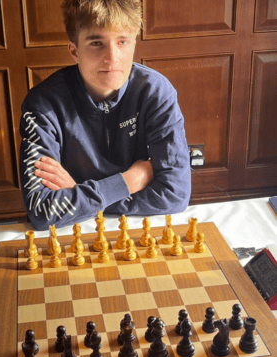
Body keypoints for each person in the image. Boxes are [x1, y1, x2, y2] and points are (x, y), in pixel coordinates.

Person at [19, 0, 191, 231]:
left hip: (132, 228)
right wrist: (131, 181)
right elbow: (42, 210)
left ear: (133, 44)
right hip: (70, 232)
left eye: (122, 41)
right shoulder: (42, 104)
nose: (112, 57)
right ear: (74, 50)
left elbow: (176, 194)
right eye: (97, 43)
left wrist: (78, 194)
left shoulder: (157, 92)